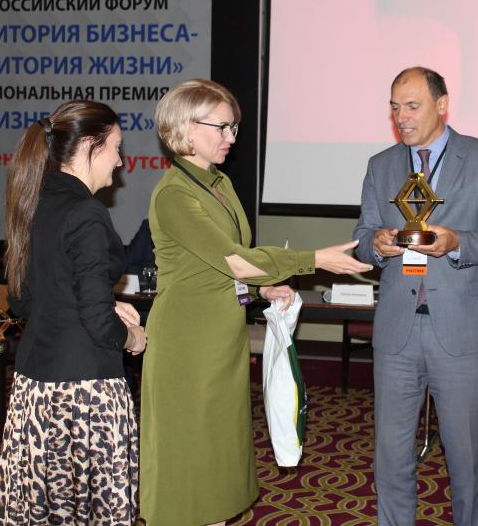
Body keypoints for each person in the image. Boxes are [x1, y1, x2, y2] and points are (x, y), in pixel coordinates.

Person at [139, 78, 372, 526]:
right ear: (185, 129)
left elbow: (222, 269)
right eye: (221, 127)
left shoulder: (218, 183)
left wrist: (260, 291)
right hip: (186, 344)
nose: (231, 137)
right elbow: (235, 261)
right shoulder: (174, 194)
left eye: (234, 128)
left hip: (221, 338)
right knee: (189, 461)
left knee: (217, 456)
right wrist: (312, 260)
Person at [353, 67, 478, 525]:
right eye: (394, 107)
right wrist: (377, 244)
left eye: (412, 106)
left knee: (466, 460)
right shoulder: (381, 165)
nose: (401, 117)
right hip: (397, 332)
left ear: (442, 105)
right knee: (391, 458)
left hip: (461, 331)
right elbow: (363, 237)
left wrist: (456, 242)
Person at [0, 100, 147, 524]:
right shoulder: (87, 213)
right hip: (85, 396)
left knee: (46, 512)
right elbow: (99, 325)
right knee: (94, 512)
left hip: (34, 391)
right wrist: (134, 338)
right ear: (89, 145)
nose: (120, 161)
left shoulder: (35, 202)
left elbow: (24, 301)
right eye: (116, 147)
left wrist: (105, 301)